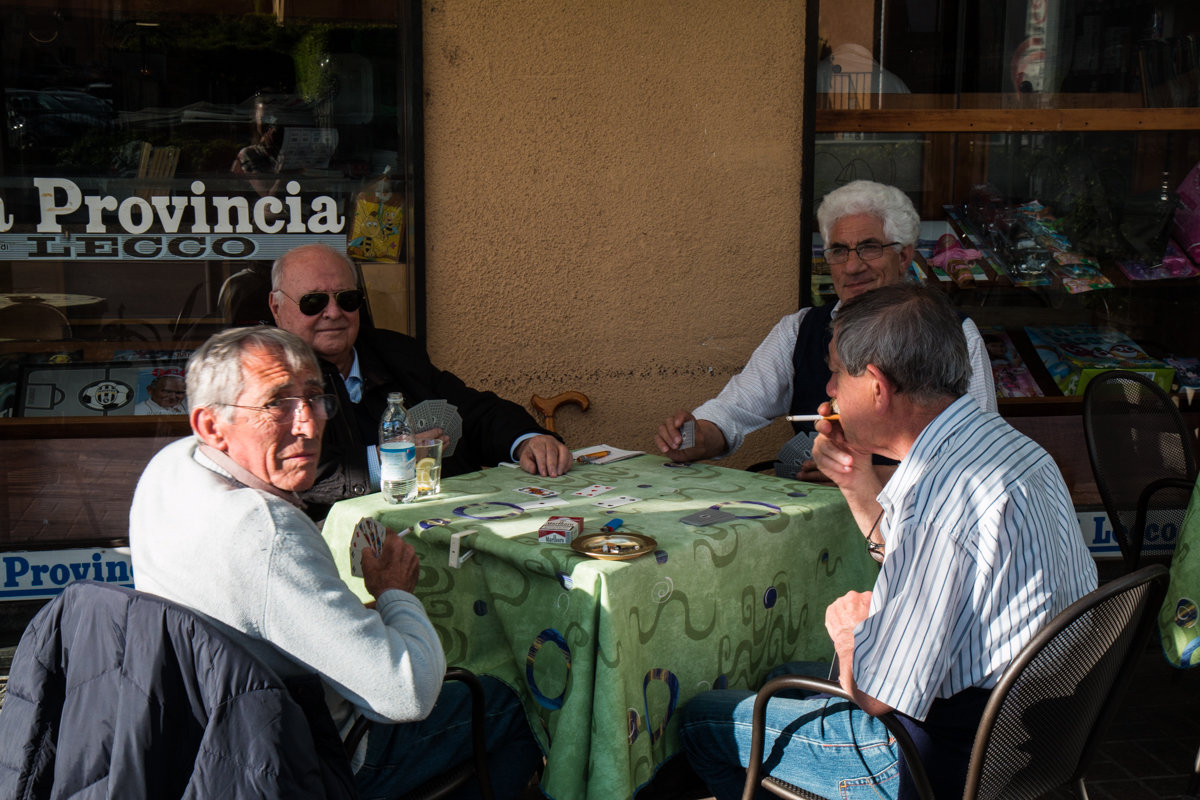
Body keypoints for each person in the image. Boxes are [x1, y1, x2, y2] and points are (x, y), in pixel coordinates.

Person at [678, 283, 1097, 800]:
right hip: (1042, 727)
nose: (828, 391)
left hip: (944, 757)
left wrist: (850, 635)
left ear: (876, 385)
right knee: (781, 673)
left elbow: (877, 695)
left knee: (700, 722)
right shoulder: (1008, 448)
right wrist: (858, 484)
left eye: (835, 374)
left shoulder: (940, 500)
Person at [129, 327, 541, 799]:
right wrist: (395, 593)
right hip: (303, 758)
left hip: (207, 735)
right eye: (276, 404)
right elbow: (405, 695)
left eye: (315, 398)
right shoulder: (263, 530)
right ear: (211, 425)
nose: (307, 424)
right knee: (517, 702)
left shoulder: (170, 465)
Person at [655, 179, 995, 480]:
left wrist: (866, 476)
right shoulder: (799, 330)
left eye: (869, 247)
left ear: (904, 256)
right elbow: (734, 409)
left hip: (913, 523)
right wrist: (697, 437)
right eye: (839, 250)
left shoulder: (954, 334)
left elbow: (980, 452)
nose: (852, 266)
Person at [269, 242, 573, 521]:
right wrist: (388, 460)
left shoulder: (395, 353)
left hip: (451, 522)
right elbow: (284, 465)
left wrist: (526, 440)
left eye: (347, 299)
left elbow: (473, 411)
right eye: (314, 302)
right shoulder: (267, 375)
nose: (333, 313)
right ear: (276, 307)